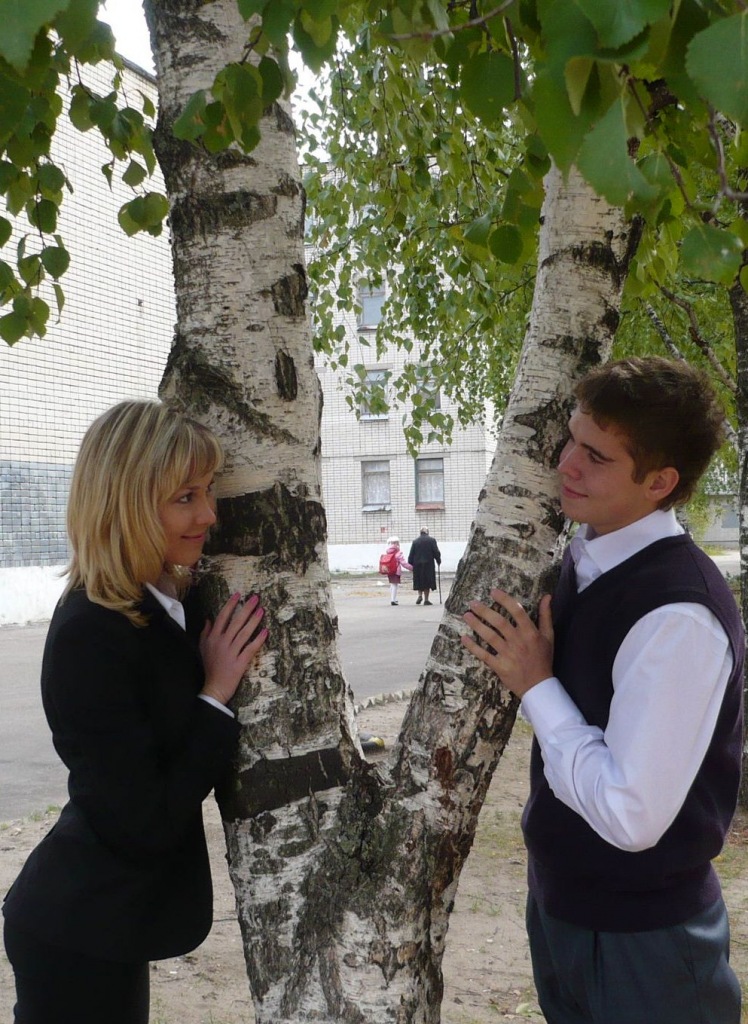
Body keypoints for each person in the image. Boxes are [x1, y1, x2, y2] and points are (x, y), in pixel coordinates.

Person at [462, 357, 744, 1024]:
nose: (565, 464)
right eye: (572, 439)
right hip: (566, 911)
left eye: (596, 456)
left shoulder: (679, 614)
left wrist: (538, 687)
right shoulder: (587, 558)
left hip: (648, 944)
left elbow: (630, 815)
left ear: (660, 482)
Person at [3, 400, 268, 1024]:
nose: (209, 514)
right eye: (185, 497)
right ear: (125, 505)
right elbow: (143, 821)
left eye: (207, 490)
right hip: (76, 931)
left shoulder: (165, 597)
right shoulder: (89, 633)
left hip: (109, 924)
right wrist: (215, 694)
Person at [408, 527, 441, 605]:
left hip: (417, 565)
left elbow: (411, 554)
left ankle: (420, 595)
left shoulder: (415, 541)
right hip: (428, 565)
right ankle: (426, 599)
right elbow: (436, 552)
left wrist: (411, 563)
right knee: (427, 581)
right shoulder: (432, 540)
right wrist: (438, 560)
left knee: (419, 581)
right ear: (427, 532)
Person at [382, 536, 411, 605]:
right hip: (396, 571)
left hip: (389, 570)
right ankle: (393, 600)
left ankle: (393, 598)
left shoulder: (388, 552)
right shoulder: (398, 553)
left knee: (392, 584)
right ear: (397, 543)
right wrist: (411, 568)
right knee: (395, 584)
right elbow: (403, 563)